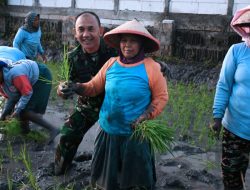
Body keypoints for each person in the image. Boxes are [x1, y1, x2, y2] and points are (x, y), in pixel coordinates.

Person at [58, 19, 168, 190]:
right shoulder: (111, 64)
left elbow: (161, 98)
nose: (127, 45)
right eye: (124, 40)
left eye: (133, 41)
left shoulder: (152, 68)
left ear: (142, 45)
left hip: (135, 133)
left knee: (135, 179)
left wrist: (146, 115)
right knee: (105, 178)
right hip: (108, 130)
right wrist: (76, 87)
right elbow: (93, 87)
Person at [54, 11, 117, 175]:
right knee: (68, 135)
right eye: (81, 30)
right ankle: (60, 170)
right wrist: (62, 89)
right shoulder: (71, 57)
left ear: (100, 30)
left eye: (91, 29)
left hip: (114, 106)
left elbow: (137, 60)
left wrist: (156, 65)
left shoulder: (115, 50)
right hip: (87, 105)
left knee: (120, 142)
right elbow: (63, 83)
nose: (86, 34)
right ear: (75, 33)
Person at [211, 5, 250, 190]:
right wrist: (217, 116)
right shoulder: (237, 51)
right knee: (232, 178)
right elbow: (224, 85)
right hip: (236, 128)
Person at [0, 58, 58, 144]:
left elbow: (27, 93)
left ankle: (53, 129)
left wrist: (17, 110)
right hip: (28, 78)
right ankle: (25, 132)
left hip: (41, 76)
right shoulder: (2, 83)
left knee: (24, 111)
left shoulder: (15, 74)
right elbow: (12, 99)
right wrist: (3, 117)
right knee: (20, 111)